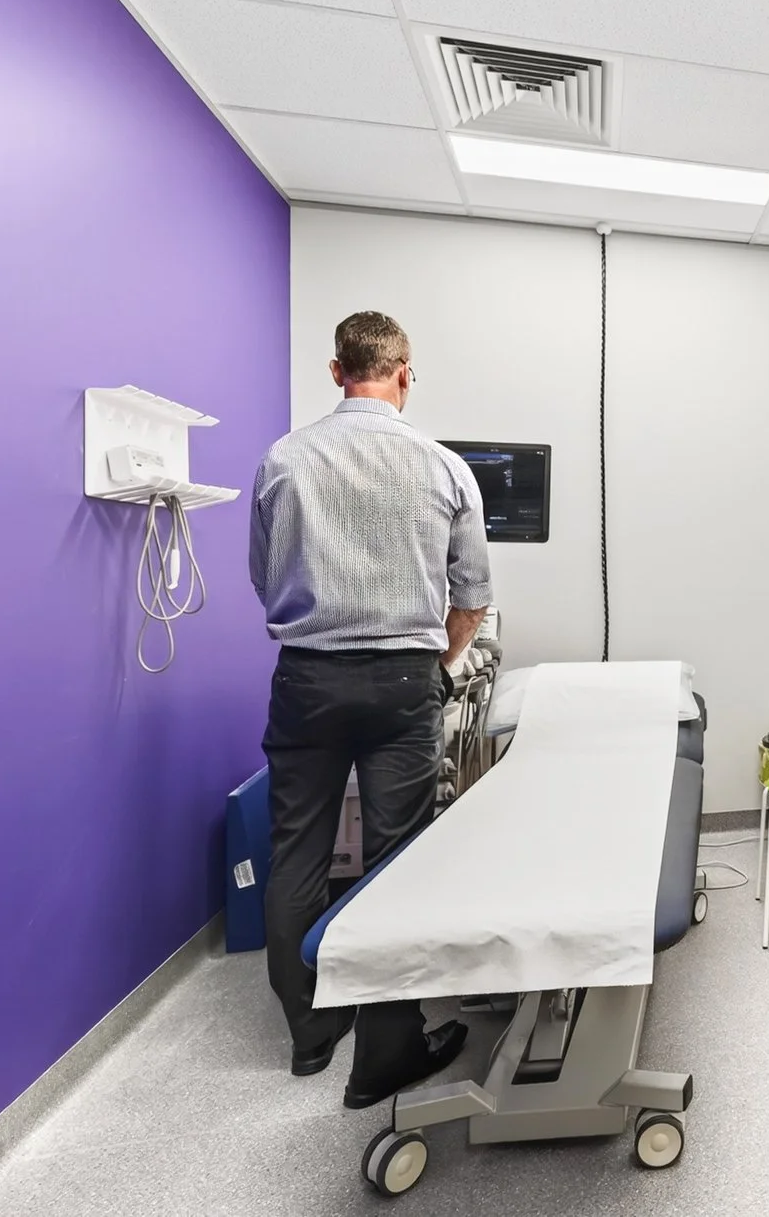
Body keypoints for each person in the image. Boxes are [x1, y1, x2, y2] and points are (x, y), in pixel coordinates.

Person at [248, 310, 493, 1108]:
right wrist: (438, 664)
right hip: (401, 684)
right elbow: (472, 601)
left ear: (335, 371)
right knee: (395, 861)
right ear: (404, 373)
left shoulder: (284, 458)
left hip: (307, 679)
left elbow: (265, 576)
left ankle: (312, 1037)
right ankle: (387, 1051)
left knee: (297, 855)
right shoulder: (444, 467)